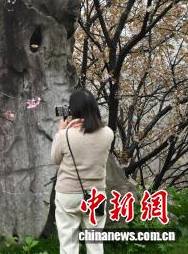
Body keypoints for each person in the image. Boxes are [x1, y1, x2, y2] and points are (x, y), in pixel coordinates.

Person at [51, 89, 114, 254]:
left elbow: (55, 159)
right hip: (96, 194)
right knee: (95, 243)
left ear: (73, 111)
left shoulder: (64, 135)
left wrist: (61, 130)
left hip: (68, 194)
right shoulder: (108, 134)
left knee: (68, 244)